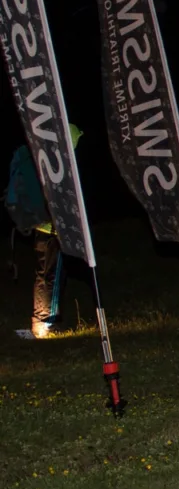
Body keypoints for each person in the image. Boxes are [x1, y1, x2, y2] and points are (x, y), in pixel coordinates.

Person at [5, 124, 84, 339]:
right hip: (53, 227)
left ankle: (39, 322)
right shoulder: (64, 141)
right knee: (53, 275)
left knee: (42, 274)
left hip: (40, 223)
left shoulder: (40, 148)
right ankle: (49, 323)